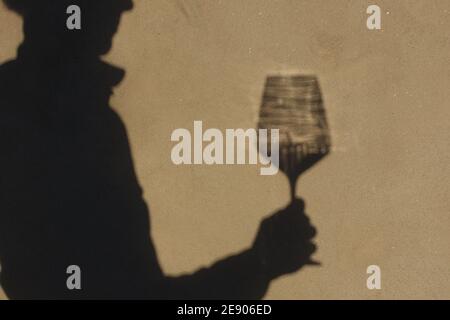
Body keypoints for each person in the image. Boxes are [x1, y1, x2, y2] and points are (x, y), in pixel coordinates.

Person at [0, 0, 318, 299]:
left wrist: (259, 262)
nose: (127, 4)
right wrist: (259, 264)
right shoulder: (68, 122)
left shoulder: (56, 110)